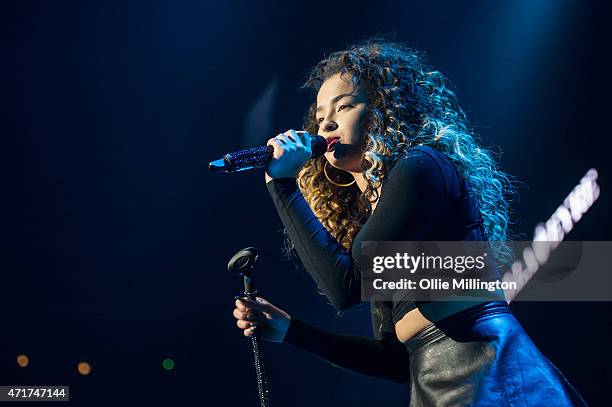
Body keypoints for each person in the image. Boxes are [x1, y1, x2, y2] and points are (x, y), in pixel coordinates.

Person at [232, 39, 586, 406]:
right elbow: (394, 360)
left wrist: (284, 185)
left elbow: (345, 287)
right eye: (320, 117)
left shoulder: (422, 168)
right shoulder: (375, 222)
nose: (327, 124)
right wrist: (292, 331)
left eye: (345, 106)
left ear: (383, 109)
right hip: (430, 379)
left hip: (485, 369)